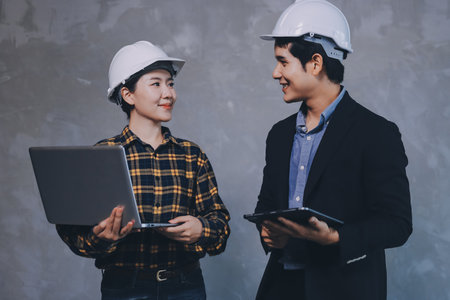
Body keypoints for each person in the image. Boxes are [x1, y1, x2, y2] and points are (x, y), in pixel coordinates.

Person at [253, 1, 412, 299]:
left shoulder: (376, 133)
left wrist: (335, 237)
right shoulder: (279, 135)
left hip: (345, 288)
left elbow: (397, 224)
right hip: (282, 288)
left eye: (283, 61)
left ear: (315, 63)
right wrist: (267, 230)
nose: (276, 73)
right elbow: (267, 205)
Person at [56, 41, 230, 300]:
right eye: (156, 83)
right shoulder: (102, 155)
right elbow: (74, 234)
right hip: (124, 288)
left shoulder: (192, 155)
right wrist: (101, 237)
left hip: (186, 286)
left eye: (170, 83)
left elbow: (220, 227)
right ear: (128, 95)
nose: (168, 93)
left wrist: (200, 230)